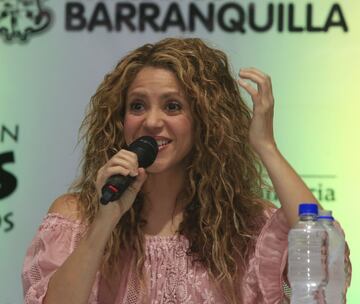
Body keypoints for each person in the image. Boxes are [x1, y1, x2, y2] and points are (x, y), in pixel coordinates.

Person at [22, 37, 351, 304]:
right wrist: (105, 220)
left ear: (203, 122)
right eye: (137, 106)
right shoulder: (76, 217)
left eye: (172, 106)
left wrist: (265, 146)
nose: (151, 121)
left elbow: (326, 270)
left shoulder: (246, 227)